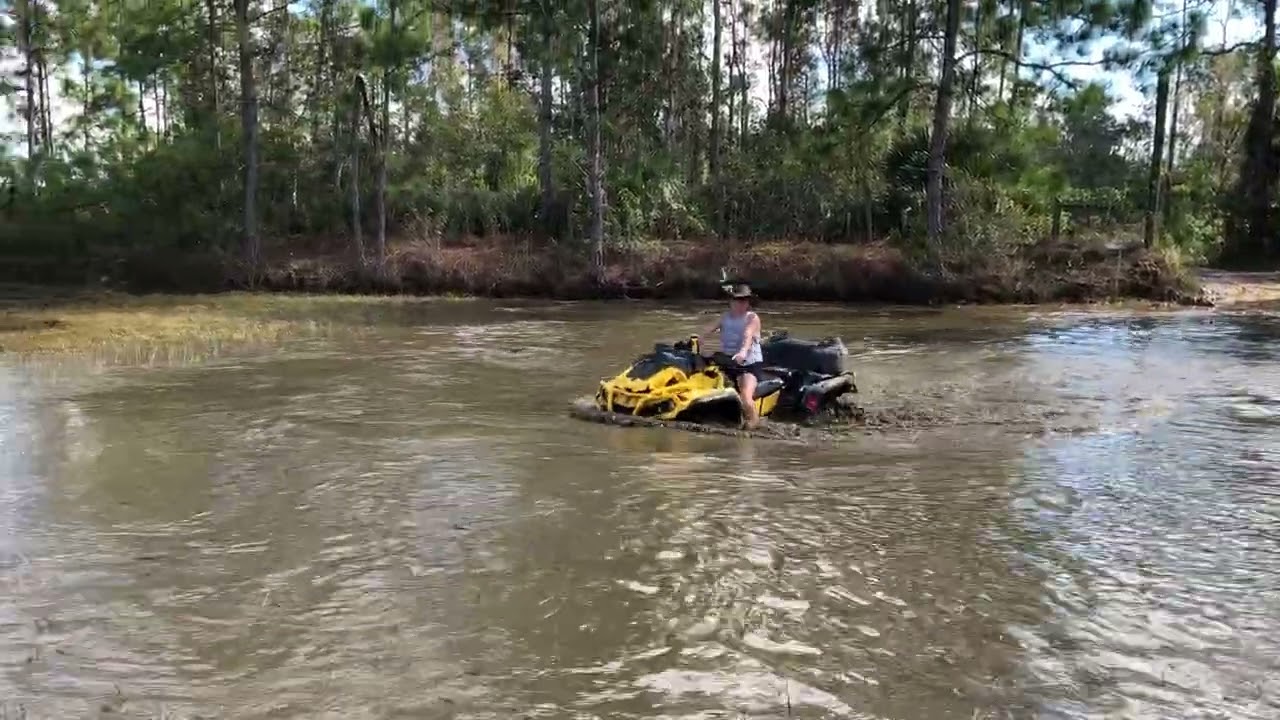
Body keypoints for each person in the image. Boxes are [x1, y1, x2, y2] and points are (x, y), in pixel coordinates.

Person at [699, 284, 765, 429]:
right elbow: (707, 330)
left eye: (745, 301)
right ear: (731, 301)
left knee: (746, 397)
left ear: (748, 302)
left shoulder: (752, 318)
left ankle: (754, 423)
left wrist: (742, 352)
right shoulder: (725, 317)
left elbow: (747, 336)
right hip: (728, 362)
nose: (741, 304)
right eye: (738, 300)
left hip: (748, 364)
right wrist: (699, 339)